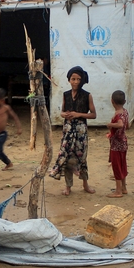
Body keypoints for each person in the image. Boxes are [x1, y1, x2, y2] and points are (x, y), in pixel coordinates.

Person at [49, 66, 97, 196]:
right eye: (73, 79)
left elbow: (93, 115)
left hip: (81, 130)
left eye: (78, 79)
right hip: (68, 129)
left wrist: (78, 114)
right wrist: (64, 115)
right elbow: (62, 112)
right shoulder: (66, 95)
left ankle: (85, 184)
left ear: (82, 80)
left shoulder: (87, 96)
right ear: (69, 80)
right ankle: (68, 186)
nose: (75, 82)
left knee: (82, 157)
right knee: (67, 156)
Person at [106, 90, 129, 198]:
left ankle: (118, 191)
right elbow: (126, 125)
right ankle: (124, 187)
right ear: (124, 101)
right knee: (122, 165)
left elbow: (120, 124)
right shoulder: (125, 112)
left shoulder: (118, 114)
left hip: (116, 145)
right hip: (123, 143)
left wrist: (110, 124)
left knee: (117, 166)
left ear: (112, 101)